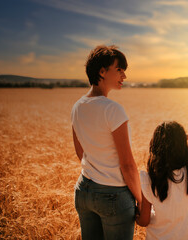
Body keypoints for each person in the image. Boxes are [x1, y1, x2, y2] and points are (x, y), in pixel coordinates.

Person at [71, 45, 142, 240]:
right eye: (119, 69)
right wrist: (141, 200)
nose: (124, 76)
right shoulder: (113, 109)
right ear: (102, 71)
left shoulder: (77, 107)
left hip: (84, 190)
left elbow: (80, 152)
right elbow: (127, 165)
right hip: (113, 195)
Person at [136, 121, 188, 239]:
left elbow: (144, 221)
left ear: (155, 145)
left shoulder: (147, 179)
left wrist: (136, 212)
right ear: (182, 145)